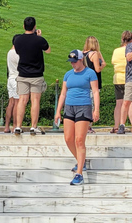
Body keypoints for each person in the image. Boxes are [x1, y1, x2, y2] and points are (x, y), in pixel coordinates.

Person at [54, 50, 99, 186]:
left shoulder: (90, 73)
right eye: (71, 62)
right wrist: (58, 111)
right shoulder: (68, 75)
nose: (73, 64)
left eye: (75, 61)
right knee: (68, 138)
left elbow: (95, 91)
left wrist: (96, 109)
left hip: (83, 107)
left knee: (79, 140)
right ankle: (81, 161)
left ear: (81, 60)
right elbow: (63, 94)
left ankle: (79, 173)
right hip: (69, 107)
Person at [13, 17, 51, 135]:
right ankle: (33, 126)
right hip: (36, 74)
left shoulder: (18, 40)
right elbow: (48, 50)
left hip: (23, 73)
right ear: (34, 27)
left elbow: (18, 52)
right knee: (35, 101)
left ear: (24, 26)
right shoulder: (39, 40)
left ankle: (18, 126)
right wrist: (38, 37)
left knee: (22, 100)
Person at [110, 30, 132, 133]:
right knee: (131, 103)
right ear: (131, 39)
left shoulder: (116, 51)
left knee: (119, 103)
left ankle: (116, 125)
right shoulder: (131, 51)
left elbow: (113, 62)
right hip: (129, 78)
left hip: (118, 78)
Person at [83, 36, 105, 134]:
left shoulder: (83, 54)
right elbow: (97, 69)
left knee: (85, 103)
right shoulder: (94, 54)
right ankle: (88, 126)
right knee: (91, 104)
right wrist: (103, 65)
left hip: (84, 81)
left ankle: (84, 125)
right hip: (94, 82)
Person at [4, 35, 21, 133]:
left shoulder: (9, 52)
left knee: (11, 103)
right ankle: (15, 126)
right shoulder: (18, 53)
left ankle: (7, 127)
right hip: (16, 78)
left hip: (10, 78)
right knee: (17, 103)